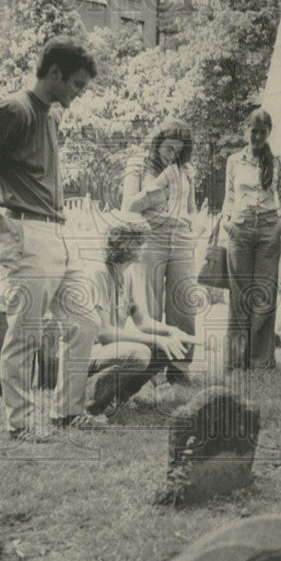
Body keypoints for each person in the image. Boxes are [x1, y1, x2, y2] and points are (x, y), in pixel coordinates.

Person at [0, 35, 97, 443]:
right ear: (56, 73)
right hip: (26, 232)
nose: (79, 93)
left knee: (85, 321)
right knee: (25, 332)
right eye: (76, 84)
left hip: (58, 234)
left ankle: (66, 411)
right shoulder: (15, 108)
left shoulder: (49, 115)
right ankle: (22, 423)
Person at [50, 221, 196, 426]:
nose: (144, 247)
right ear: (125, 245)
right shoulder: (99, 273)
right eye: (140, 243)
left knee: (171, 345)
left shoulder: (126, 274)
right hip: (85, 353)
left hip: (106, 350)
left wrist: (174, 332)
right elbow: (104, 333)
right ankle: (93, 403)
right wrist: (157, 339)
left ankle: (119, 397)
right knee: (140, 354)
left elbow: (143, 321)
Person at [122, 120, 198, 385]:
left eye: (178, 151)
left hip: (181, 237)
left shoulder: (186, 169)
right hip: (150, 235)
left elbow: (191, 207)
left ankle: (180, 368)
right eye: (168, 149)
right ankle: (150, 373)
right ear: (157, 143)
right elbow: (128, 206)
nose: (172, 156)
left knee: (184, 304)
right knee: (148, 304)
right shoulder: (139, 163)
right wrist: (158, 185)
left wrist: (189, 224)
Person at [221, 107, 281, 370]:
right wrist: (227, 222)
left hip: (269, 230)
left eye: (263, 132)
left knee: (264, 294)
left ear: (269, 133)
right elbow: (229, 196)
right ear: (245, 130)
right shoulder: (233, 161)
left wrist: (280, 224)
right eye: (254, 131)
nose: (258, 137)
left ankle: (259, 360)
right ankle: (236, 360)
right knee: (239, 296)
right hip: (239, 229)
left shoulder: (276, 161)